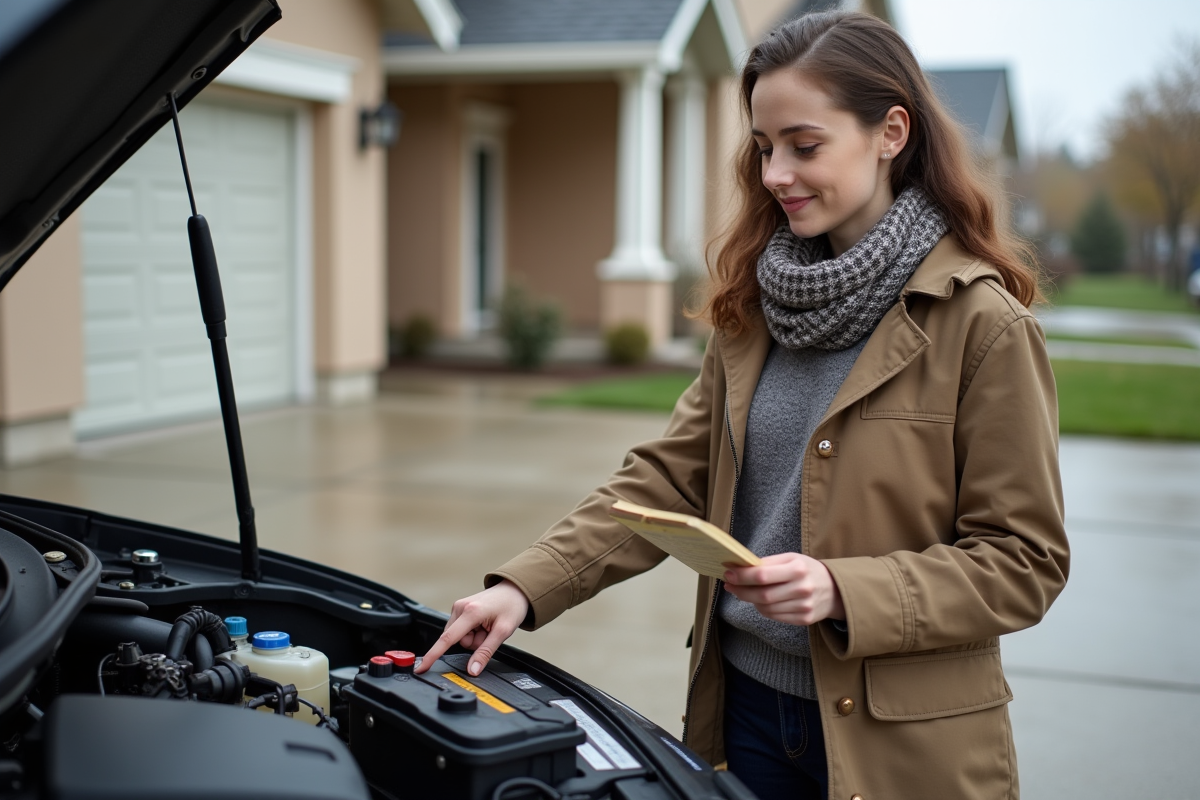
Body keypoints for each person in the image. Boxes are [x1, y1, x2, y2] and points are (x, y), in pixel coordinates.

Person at [420, 10, 1069, 799]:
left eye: (804, 145)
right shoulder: (756, 306)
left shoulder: (984, 325)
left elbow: (1023, 561)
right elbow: (665, 481)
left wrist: (842, 590)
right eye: (764, 149)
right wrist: (523, 587)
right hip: (745, 717)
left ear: (891, 132)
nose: (774, 175)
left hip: (902, 749)